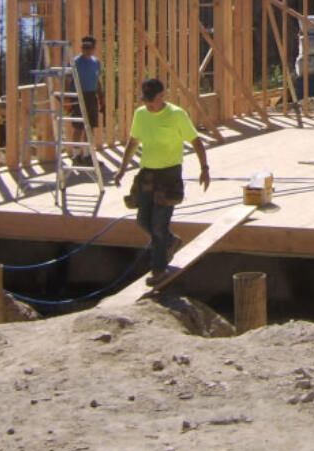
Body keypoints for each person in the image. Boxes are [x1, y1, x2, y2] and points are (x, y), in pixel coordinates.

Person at [113, 78, 211, 285]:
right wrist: (122, 169)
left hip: (169, 176)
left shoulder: (176, 115)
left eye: (152, 100)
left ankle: (159, 269)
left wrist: (205, 169)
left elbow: (196, 141)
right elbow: (133, 142)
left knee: (158, 224)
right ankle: (170, 241)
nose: (148, 104)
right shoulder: (141, 115)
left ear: (162, 96)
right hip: (147, 174)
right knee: (143, 220)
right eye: (145, 100)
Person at [70, 35, 105, 160]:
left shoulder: (96, 62)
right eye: (84, 47)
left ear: (93, 49)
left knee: (90, 126)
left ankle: (86, 153)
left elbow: (97, 80)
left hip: (91, 96)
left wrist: (101, 97)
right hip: (78, 96)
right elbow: (68, 80)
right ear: (81, 48)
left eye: (89, 47)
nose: (86, 50)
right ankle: (76, 154)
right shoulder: (75, 62)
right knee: (78, 126)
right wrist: (68, 98)